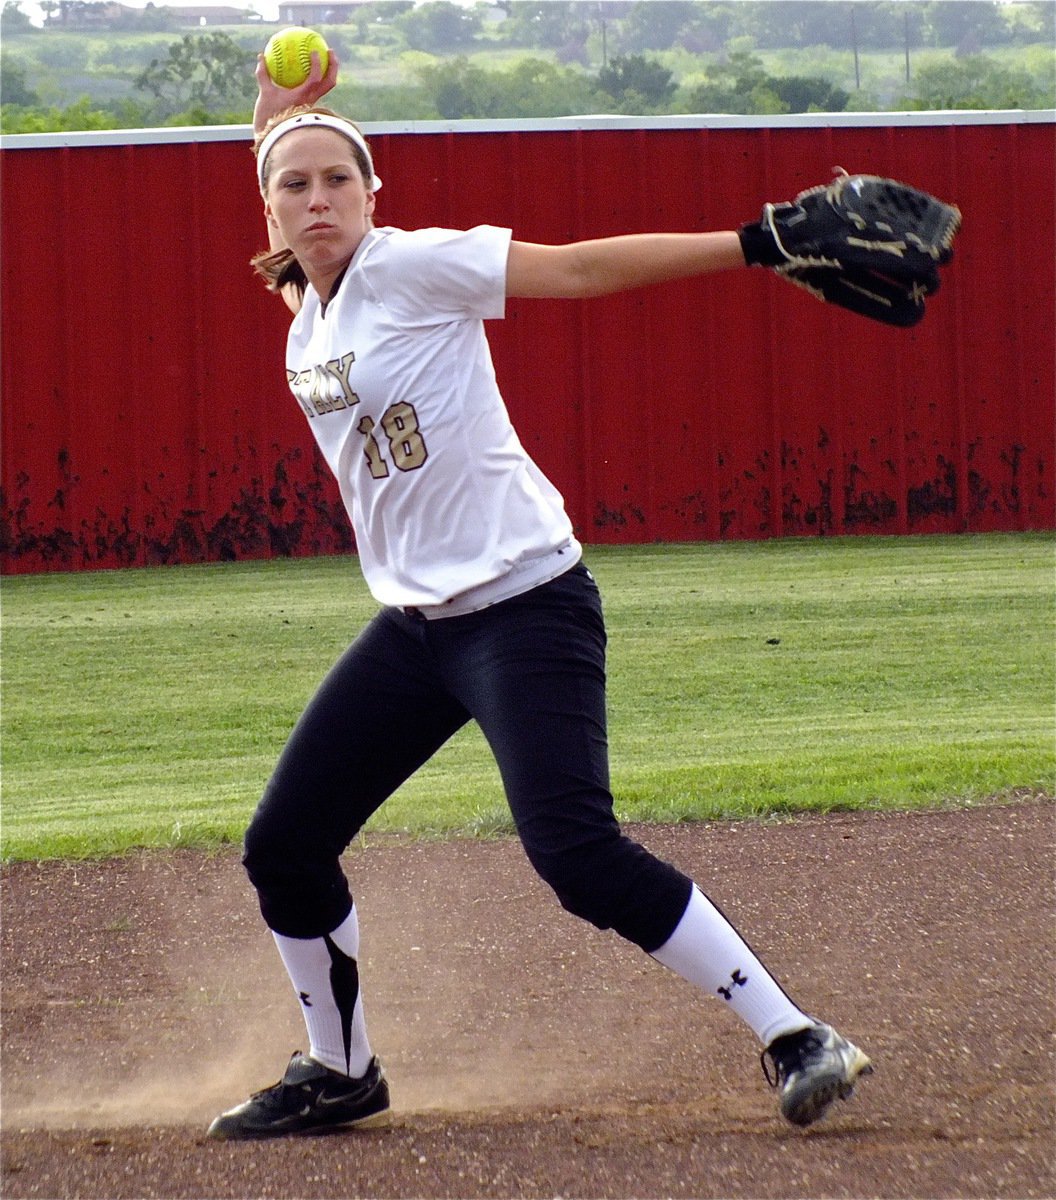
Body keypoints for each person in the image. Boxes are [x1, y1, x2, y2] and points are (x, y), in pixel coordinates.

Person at [206, 51, 872, 1141]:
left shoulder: (412, 265)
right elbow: (296, 237)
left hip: (524, 608)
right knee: (285, 843)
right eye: (295, 185)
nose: (317, 198)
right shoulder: (307, 304)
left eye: (339, 180)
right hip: (417, 631)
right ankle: (342, 1069)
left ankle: (797, 1034)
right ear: (273, 206)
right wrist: (269, 131)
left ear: (375, 196)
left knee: (575, 853)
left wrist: (762, 242)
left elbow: (576, 271)